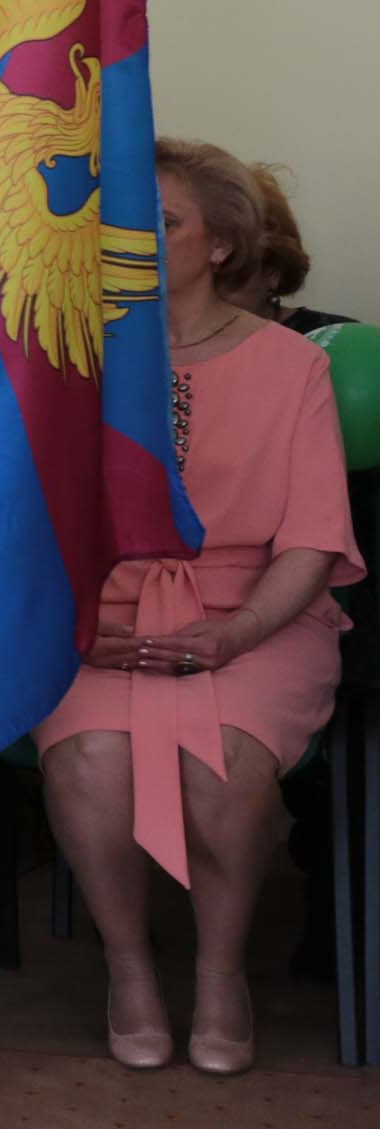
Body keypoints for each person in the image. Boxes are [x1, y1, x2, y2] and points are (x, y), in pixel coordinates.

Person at [35, 138, 363, 1075]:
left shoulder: (291, 366)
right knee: (92, 759)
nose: (131, 235)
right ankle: (129, 967)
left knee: (219, 764)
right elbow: (22, 524)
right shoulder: (65, 353)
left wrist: (238, 631)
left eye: (163, 221)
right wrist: (76, 624)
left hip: (260, 614)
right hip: (96, 617)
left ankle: (222, 974)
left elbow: (311, 542)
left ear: (220, 245)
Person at [220, 160, 376, 981]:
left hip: (335, 606)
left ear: (270, 267)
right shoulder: (139, 357)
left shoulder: (336, 353)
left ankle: (342, 913)